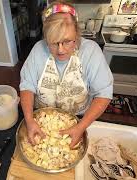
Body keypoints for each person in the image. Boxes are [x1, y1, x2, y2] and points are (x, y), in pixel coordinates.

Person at [19, 1, 113, 148]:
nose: (61, 50)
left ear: (77, 33)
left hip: (79, 119)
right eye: (53, 43)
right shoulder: (38, 50)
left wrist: (81, 126)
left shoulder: (91, 52)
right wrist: (30, 121)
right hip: (42, 119)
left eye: (67, 41)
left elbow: (104, 93)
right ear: (46, 38)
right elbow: (27, 86)